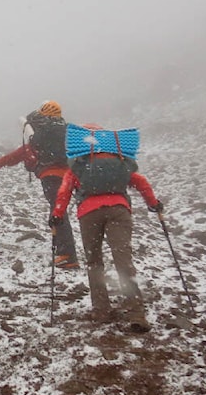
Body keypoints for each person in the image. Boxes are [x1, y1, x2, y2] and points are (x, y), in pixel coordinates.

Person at [48, 128, 163, 332]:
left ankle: (101, 310)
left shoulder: (78, 165)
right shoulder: (119, 161)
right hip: (119, 210)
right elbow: (141, 182)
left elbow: (64, 191)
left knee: (94, 262)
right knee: (123, 260)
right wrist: (153, 204)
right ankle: (136, 313)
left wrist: (57, 215)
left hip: (89, 213)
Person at [0, 100, 79, 268]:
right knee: (62, 210)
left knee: (57, 211)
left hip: (51, 178)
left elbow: (9, 159)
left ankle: (67, 255)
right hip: (71, 176)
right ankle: (75, 252)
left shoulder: (36, 142)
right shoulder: (66, 134)